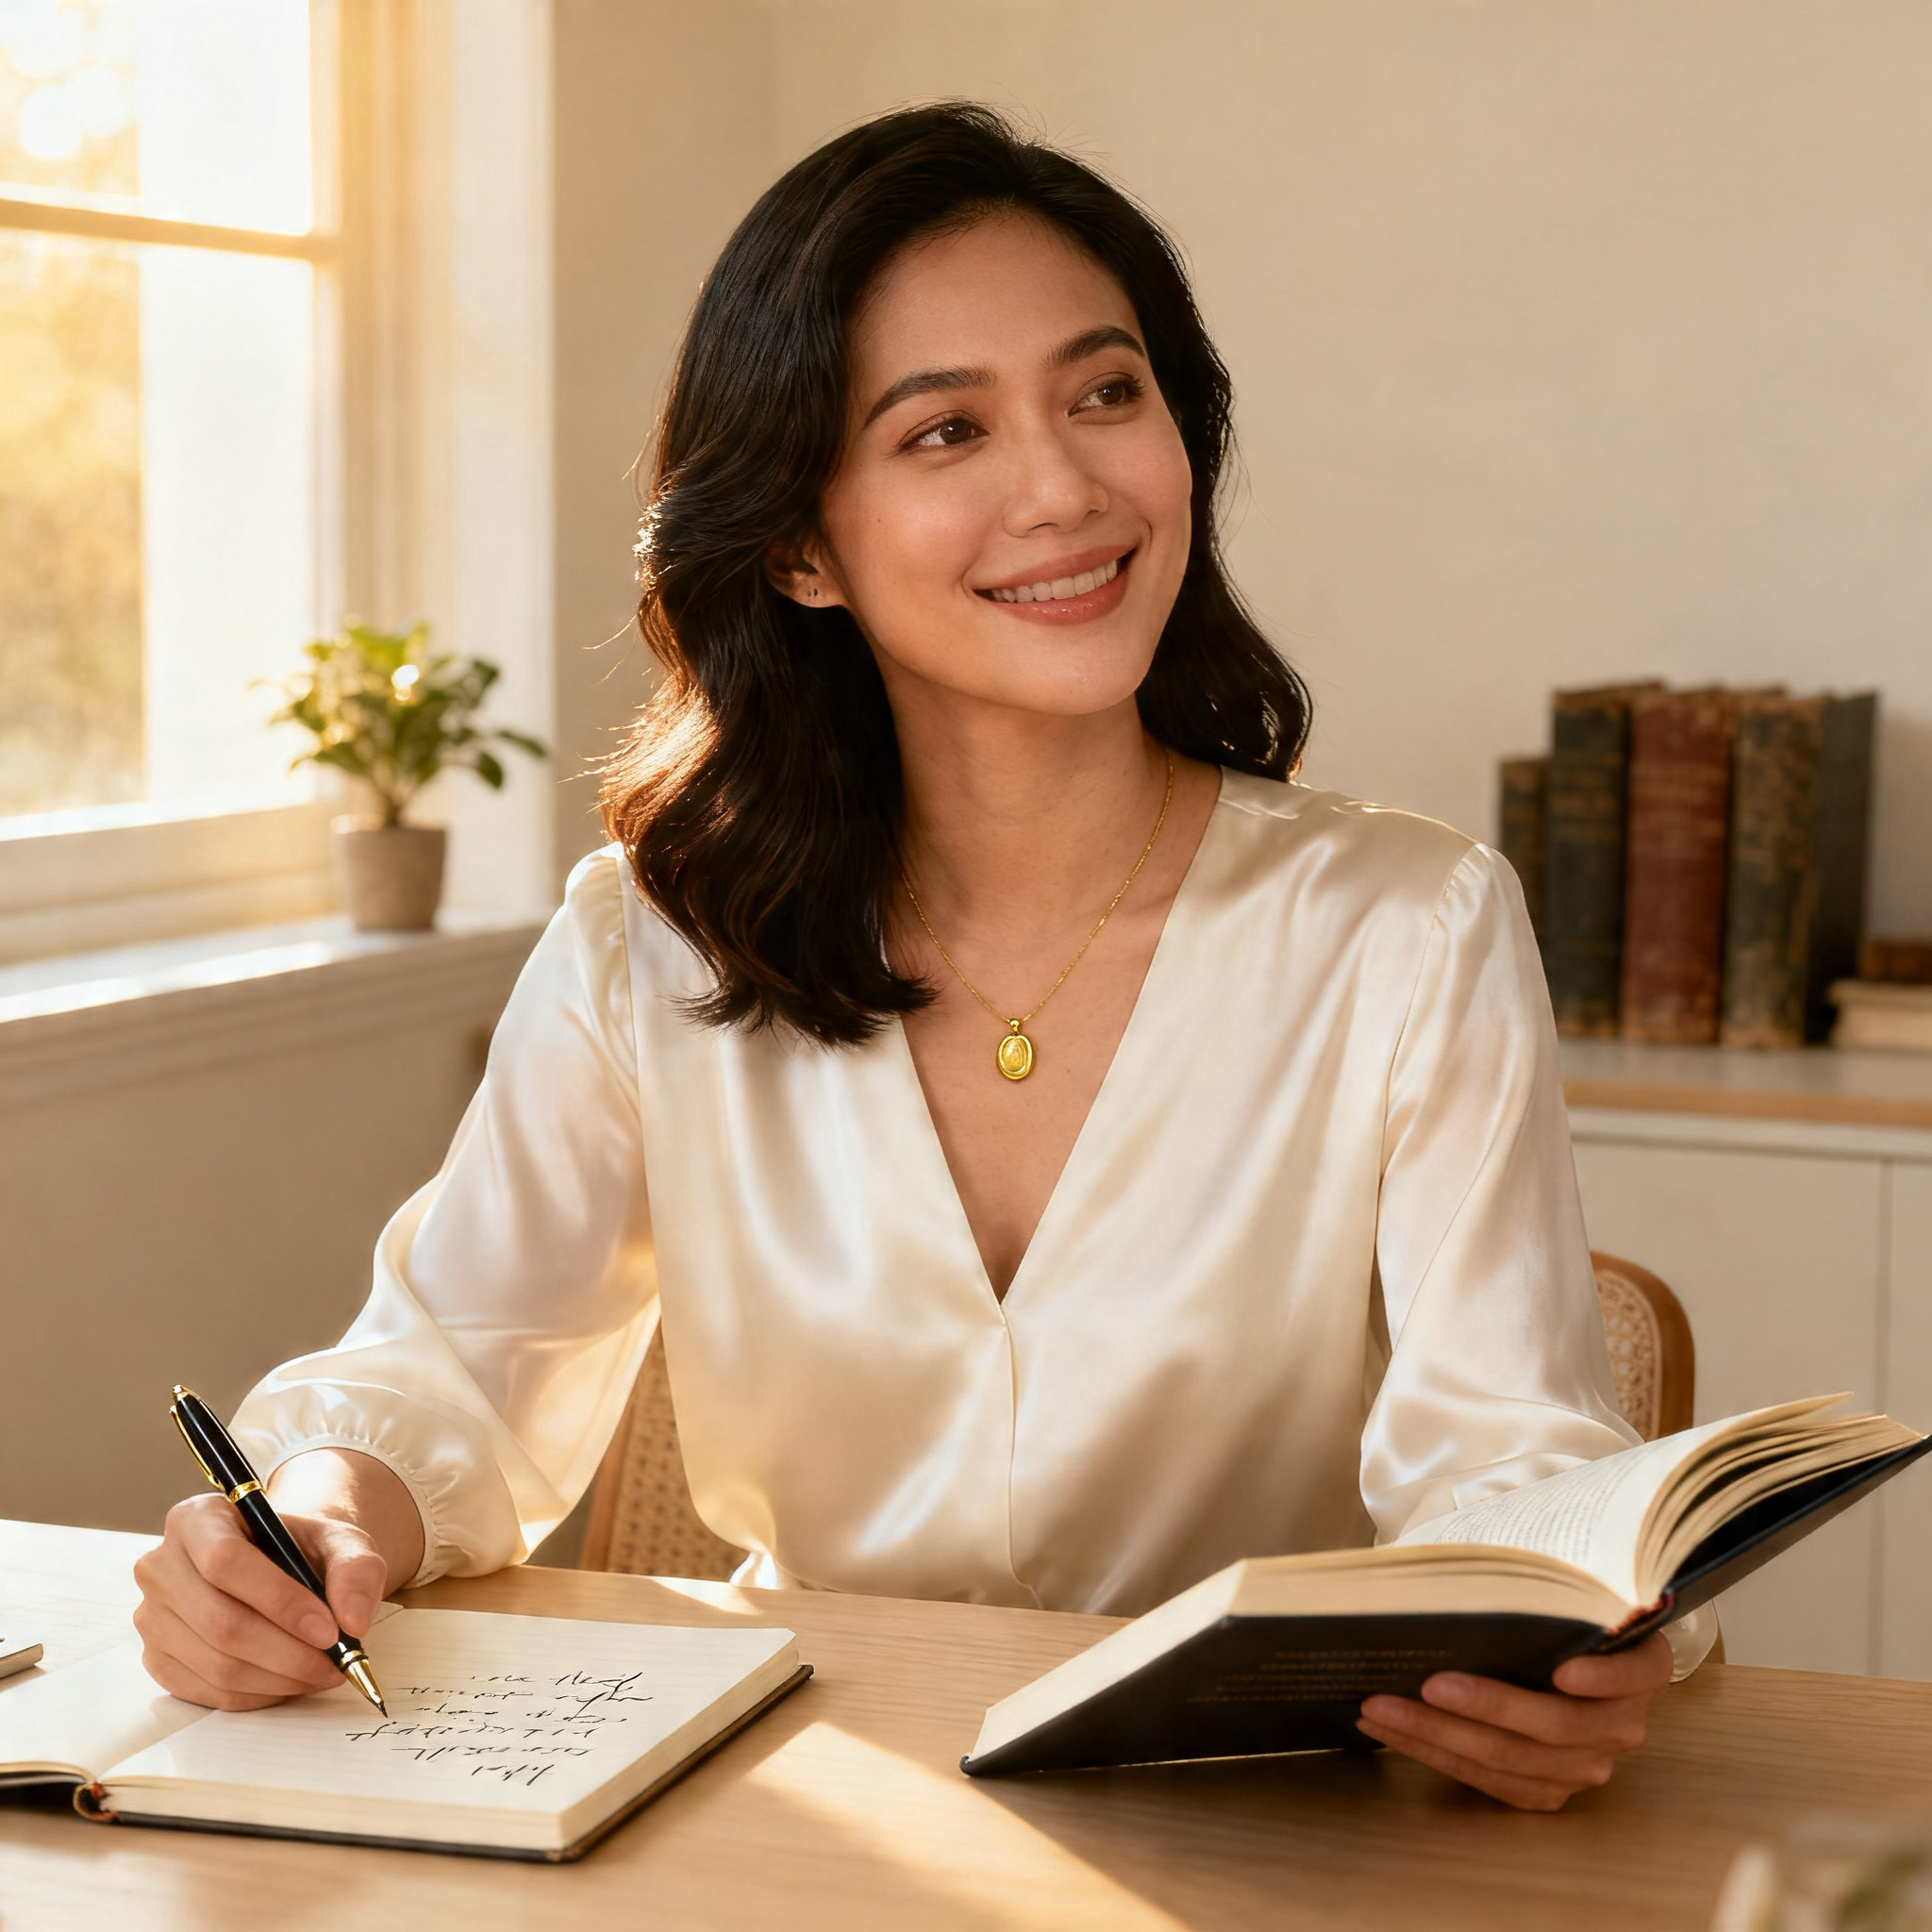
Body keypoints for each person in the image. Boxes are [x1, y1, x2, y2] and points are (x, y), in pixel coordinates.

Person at [132, 102, 1710, 1810]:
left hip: (1268, 1829)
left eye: (1108, 392)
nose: (1065, 486)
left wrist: (1564, 1639)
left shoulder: (1410, 926)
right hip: (792, 1827)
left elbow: (1511, 1469)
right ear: (801, 545)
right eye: (945, 431)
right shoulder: (648, 940)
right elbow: (448, 1366)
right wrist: (312, 1523)